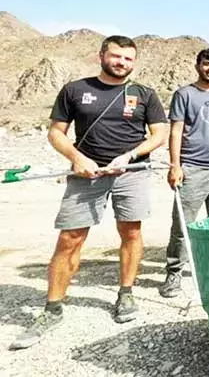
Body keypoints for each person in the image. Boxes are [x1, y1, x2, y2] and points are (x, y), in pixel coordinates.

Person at [10, 35, 169, 350]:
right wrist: (77, 158)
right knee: (70, 238)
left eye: (128, 58)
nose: (121, 62)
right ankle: (52, 308)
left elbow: (159, 134)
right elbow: (56, 133)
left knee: (131, 232)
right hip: (86, 174)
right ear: (101, 56)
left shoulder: (144, 94)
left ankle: (126, 293)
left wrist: (130, 156)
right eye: (116, 56)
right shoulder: (75, 90)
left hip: (131, 173)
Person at [159, 48, 209, 298]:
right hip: (192, 169)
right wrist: (175, 165)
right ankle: (174, 272)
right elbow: (176, 131)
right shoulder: (184, 94)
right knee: (183, 225)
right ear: (197, 66)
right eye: (207, 64)